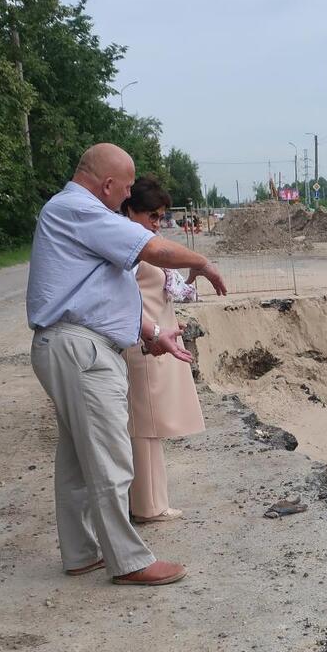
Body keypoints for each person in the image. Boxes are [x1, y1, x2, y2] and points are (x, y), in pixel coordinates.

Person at [26, 143, 227, 587]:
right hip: (81, 350)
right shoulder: (80, 209)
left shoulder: (75, 215)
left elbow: (101, 294)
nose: (129, 194)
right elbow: (156, 251)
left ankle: (81, 552)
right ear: (108, 183)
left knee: (79, 459)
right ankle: (129, 560)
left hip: (71, 345)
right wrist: (204, 262)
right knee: (111, 457)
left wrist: (153, 335)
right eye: (129, 186)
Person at [119, 177, 204, 523]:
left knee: (148, 425)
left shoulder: (146, 247)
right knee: (144, 425)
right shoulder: (129, 250)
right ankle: (148, 506)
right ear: (129, 210)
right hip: (143, 343)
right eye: (151, 215)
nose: (157, 223)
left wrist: (196, 274)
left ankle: (150, 502)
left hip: (157, 339)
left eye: (160, 216)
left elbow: (178, 290)